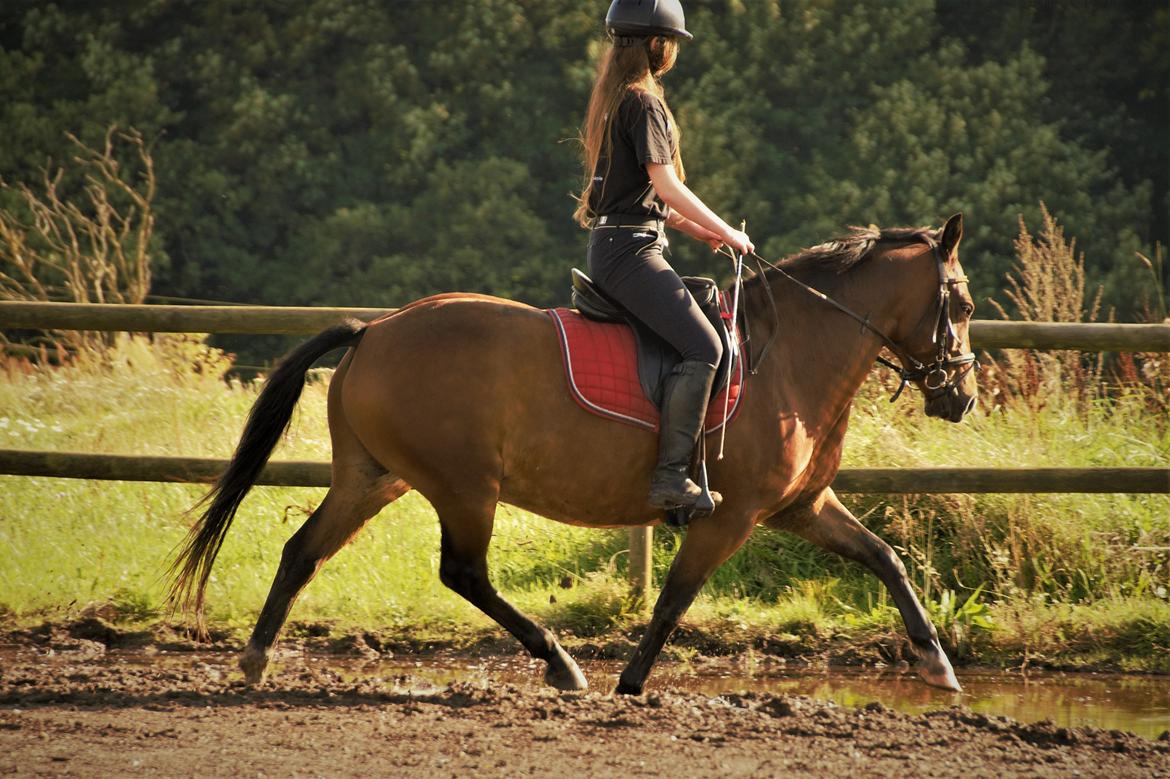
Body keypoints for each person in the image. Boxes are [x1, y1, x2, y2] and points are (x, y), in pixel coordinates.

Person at [575, 0, 755, 512]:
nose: (672, 51)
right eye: (671, 42)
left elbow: (647, 202)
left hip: (623, 244)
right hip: (631, 253)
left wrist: (701, 234)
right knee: (706, 348)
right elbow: (666, 184)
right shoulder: (644, 102)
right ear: (657, 44)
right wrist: (728, 231)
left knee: (700, 324)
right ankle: (671, 478)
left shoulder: (615, 102)